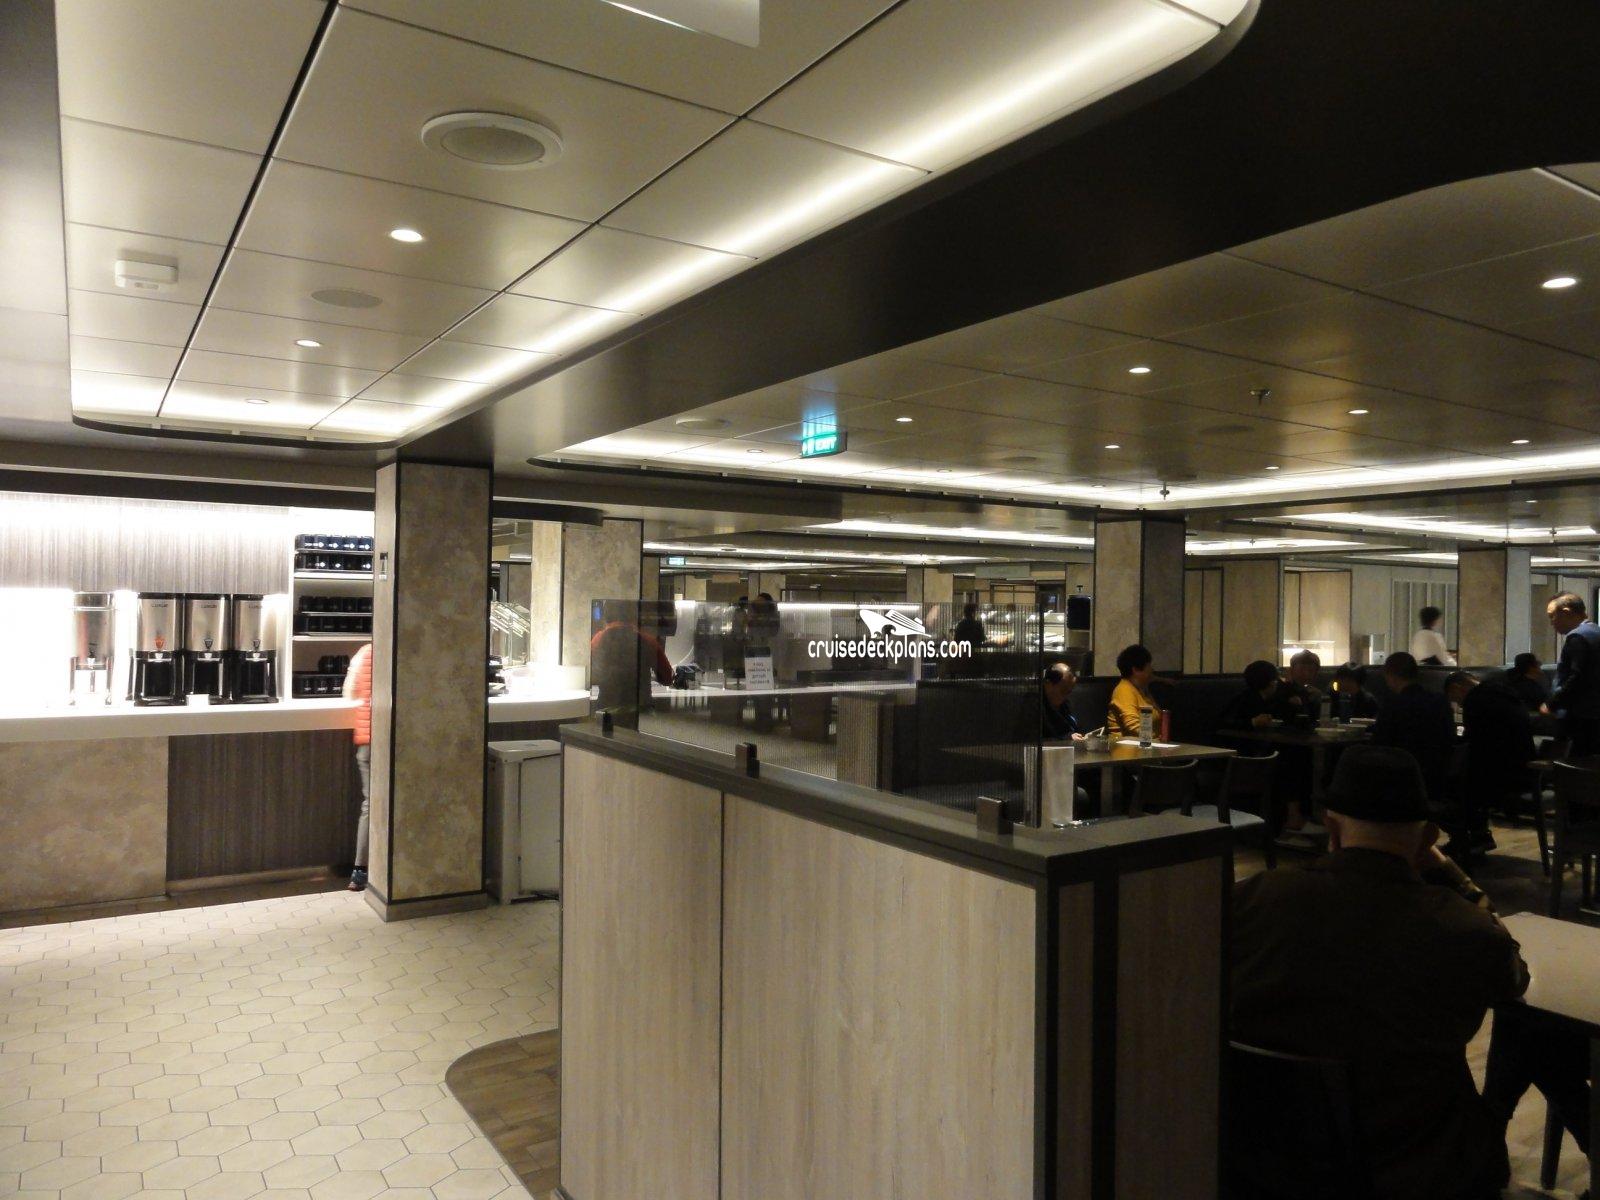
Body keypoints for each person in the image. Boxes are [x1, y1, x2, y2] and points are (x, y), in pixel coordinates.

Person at [1231, 744, 1529, 1200]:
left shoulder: (1249, 900)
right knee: (1536, 1040)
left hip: (1260, 1161)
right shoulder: (1464, 930)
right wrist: (1455, 876)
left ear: (1331, 826)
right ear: (1428, 838)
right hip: (1416, 1169)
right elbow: (1514, 979)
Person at [1444, 670, 1533, 857]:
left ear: (1457, 688)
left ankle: (1469, 839)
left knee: (1452, 785)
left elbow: (1474, 742)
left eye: (1456, 699)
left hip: (1503, 774)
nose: (1459, 704)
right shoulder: (1504, 693)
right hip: (1524, 769)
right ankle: (1478, 836)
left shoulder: (1476, 700)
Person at [1373, 651, 1456, 803]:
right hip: (1437, 778)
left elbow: (1380, 743)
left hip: (1401, 781)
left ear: (1391, 675)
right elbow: (1450, 737)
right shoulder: (1440, 701)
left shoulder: (1393, 705)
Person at [1544, 592, 1600, 756]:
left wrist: (1552, 704)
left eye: (1552, 616)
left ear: (1566, 612)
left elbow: (1576, 677)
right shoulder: (1596, 631)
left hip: (1579, 715)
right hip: (1594, 714)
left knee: (1570, 761)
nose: (1551, 623)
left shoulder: (1577, 637)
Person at [341, 641, 373, 892]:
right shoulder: (405, 651)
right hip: (391, 739)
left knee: (370, 805)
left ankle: (360, 871)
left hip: (367, 740)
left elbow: (349, 694)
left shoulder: (363, 653)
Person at [1107, 644, 1162, 737]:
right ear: (1136, 670)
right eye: (1148, 666)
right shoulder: (1124, 690)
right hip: (1126, 745)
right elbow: (1133, 727)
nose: (1152, 669)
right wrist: (1159, 742)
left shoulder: (1142, 689)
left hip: (1148, 743)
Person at [1221, 659, 1281, 730]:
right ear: (1271, 683)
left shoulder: (1269, 699)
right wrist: (1253, 722)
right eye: (1276, 680)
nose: (1277, 684)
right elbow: (1224, 723)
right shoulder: (1244, 700)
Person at [1275, 648, 1323, 721]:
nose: (1306, 674)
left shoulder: (1316, 693)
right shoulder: (1281, 689)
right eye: (1301, 670)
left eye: (1311, 671)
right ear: (1291, 670)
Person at [1041, 661, 1084, 741]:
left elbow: (1075, 728)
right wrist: (1066, 738)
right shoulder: (1033, 704)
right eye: (1063, 690)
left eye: (1069, 691)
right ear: (1048, 684)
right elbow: (1031, 741)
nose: (1066, 696)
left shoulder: (1065, 704)